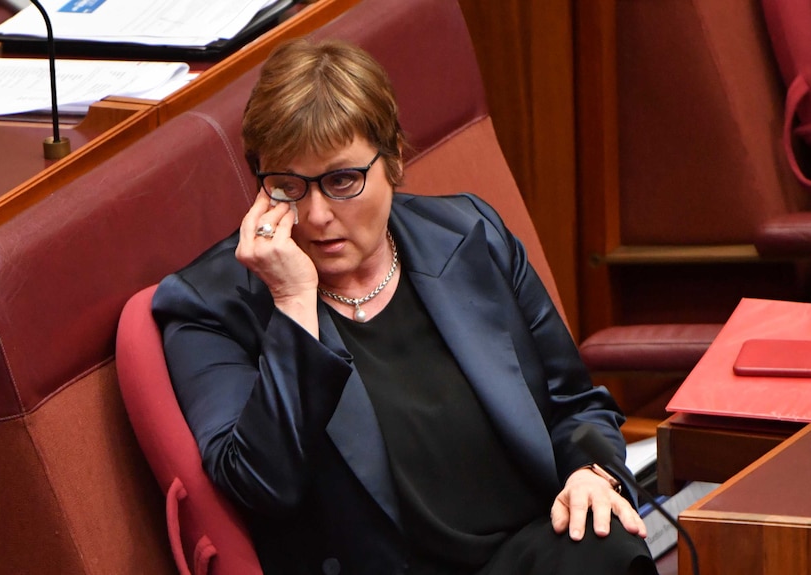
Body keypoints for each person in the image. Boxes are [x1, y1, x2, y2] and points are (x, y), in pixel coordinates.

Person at [152, 38, 657, 575]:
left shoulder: (469, 235)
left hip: (531, 551)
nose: (317, 214)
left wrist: (591, 474)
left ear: (392, 158)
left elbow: (575, 405)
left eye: (342, 180)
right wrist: (293, 305)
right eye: (288, 186)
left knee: (609, 544)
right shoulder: (212, 304)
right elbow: (259, 485)